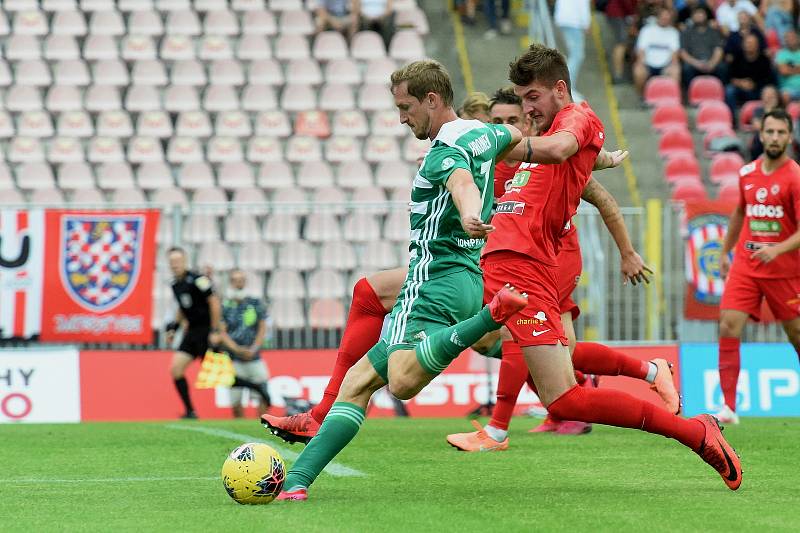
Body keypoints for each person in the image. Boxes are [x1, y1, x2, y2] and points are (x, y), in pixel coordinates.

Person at [474, 43, 740, 490]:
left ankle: (691, 426)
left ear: (560, 89)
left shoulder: (577, 119)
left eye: (532, 98)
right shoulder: (543, 136)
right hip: (510, 264)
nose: (526, 109)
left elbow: (562, 150)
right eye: (521, 101)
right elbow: (566, 156)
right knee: (559, 392)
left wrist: (497, 142)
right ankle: (675, 404)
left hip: (531, 267)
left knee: (563, 396)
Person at [274, 60, 530, 500]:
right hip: (467, 276)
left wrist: (470, 210)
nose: (401, 118)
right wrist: (590, 158)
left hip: (433, 280)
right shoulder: (485, 133)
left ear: (433, 100)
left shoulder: (443, 152)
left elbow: (462, 182)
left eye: (406, 107)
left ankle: (491, 318)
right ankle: (296, 483)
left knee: (402, 381)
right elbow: (520, 138)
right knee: (357, 383)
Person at [716, 108, 800, 425]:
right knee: (728, 324)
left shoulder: (794, 177)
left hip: (785, 270)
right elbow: (741, 211)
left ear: (789, 137)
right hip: (747, 266)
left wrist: (777, 249)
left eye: (781, 132)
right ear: (760, 134)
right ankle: (728, 407)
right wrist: (725, 251)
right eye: (770, 132)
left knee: (796, 335)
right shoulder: (747, 173)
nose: (775, 137)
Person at [165, 247, 222, 419]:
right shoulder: (175, 285)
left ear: (185, 261)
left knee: (221, 376)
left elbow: (214, 302)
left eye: (178, 261)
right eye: (172, 262)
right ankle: (190, 411)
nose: (175, 265)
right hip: (191, 333)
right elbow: (183, 308)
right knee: (176, 370)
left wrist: (215, 330)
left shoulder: (199, 280)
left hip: (205, 331)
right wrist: (174, 328)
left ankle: (258, 388)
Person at [219, 269, 272, 419]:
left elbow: (262, 327)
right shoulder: (225, 306)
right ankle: (241, 426)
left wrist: (254, 347)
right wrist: (237, 349)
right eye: (235, 280)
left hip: (254, 358)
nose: (239, 283)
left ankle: (261, 425)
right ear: (231, 283)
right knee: (235, 400)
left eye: (241, 280)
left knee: (262, 393)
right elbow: (222, 332)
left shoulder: (255, 303)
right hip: (234, 359)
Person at [633, 8, 682, 97]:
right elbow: (640, 49)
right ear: (658, 17)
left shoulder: (674, 32)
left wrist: (673, 64)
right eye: (663, 17)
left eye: (667, 18)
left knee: (675, 71)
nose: (665, 20)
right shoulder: (646, 30)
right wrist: (641, 63)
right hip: (647, 63)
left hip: (665, 65)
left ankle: (671, 98)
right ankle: (641, 97)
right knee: (638, 71)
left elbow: (675, 52)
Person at [725, 34, 776, 118]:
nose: (749, 45)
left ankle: (767, 118)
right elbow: (729, 77)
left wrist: (753, 84)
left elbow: (769, 80)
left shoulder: (764, 60)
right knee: (729, 90)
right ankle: (732, 120)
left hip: (758, 90)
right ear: (743, 44)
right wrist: (740, 83)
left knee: (769, 91)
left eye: (752, 43)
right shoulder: (737, 58)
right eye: (747, 43)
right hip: (740, 90)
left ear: (757, 45)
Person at [679, 6, 726, 89]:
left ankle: (721, 94)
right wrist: (697, 63)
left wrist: (712, 63)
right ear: (692, 17)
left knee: (723, 67)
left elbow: (718, 50)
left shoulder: (714, 31)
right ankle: (691, 96)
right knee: (686, 68)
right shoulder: (686, 32)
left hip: (711, 62)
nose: (698, 16)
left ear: (706, 15)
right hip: (694, 63)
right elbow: (683, 53)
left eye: (701, 13)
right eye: (696, 14)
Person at [555, 0, 591, 100]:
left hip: (563, 18)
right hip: (574, 21)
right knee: (577, 55)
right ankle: (567, 88)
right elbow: (583, 4)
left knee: (573, 56)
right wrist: (586, 23)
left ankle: (567, 88)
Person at [603, 0, 640, 84]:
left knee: (622, 42)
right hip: (617, 13)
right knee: (621, 43)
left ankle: (619, 74)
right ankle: (618, 75)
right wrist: (633, 13)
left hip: (618, 13)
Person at [749, 84, 782, 158]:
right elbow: (756, 126)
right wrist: (768, 111)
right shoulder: (758, 110)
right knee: (760, 136)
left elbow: (783, 127)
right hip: (761, 141)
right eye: (766, 94)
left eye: (771, 95)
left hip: (778, 138)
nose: (769, 97)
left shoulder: (781, 111)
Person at [776, 29, 800, 103]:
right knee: (784, 95)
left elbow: (786, 70)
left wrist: (790, 68)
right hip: (788, 89)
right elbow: (783, 71)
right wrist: (798, 68)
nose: (790, 40)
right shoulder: (781, 54)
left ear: (798, 39)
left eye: (792, 37)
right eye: (787, 38)